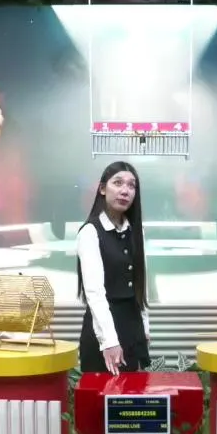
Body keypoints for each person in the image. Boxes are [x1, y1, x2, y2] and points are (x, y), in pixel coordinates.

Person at [76, 161, 151, 375]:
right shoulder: (90, 232)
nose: (125, 191)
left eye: (131, 185)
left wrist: (145, 326)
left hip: (133, 328)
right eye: (118, 183)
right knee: (104, 394)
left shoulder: (136, 232)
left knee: (134, 393)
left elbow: (140, 283)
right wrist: (109, 341)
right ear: (102, 189)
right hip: (104, 332)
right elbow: (94, 293)